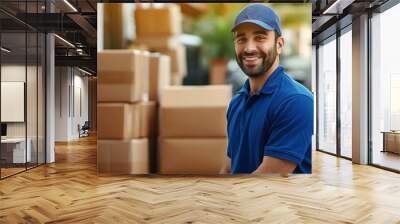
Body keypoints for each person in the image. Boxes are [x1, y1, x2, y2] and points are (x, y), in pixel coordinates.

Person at [220, 4, 313, 175]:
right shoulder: (236, 103)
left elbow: (267, 180)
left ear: (279, 44)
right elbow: (228, 168)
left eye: (260, 38)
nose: (249, 48)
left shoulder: (296, 101)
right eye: (241, 39)